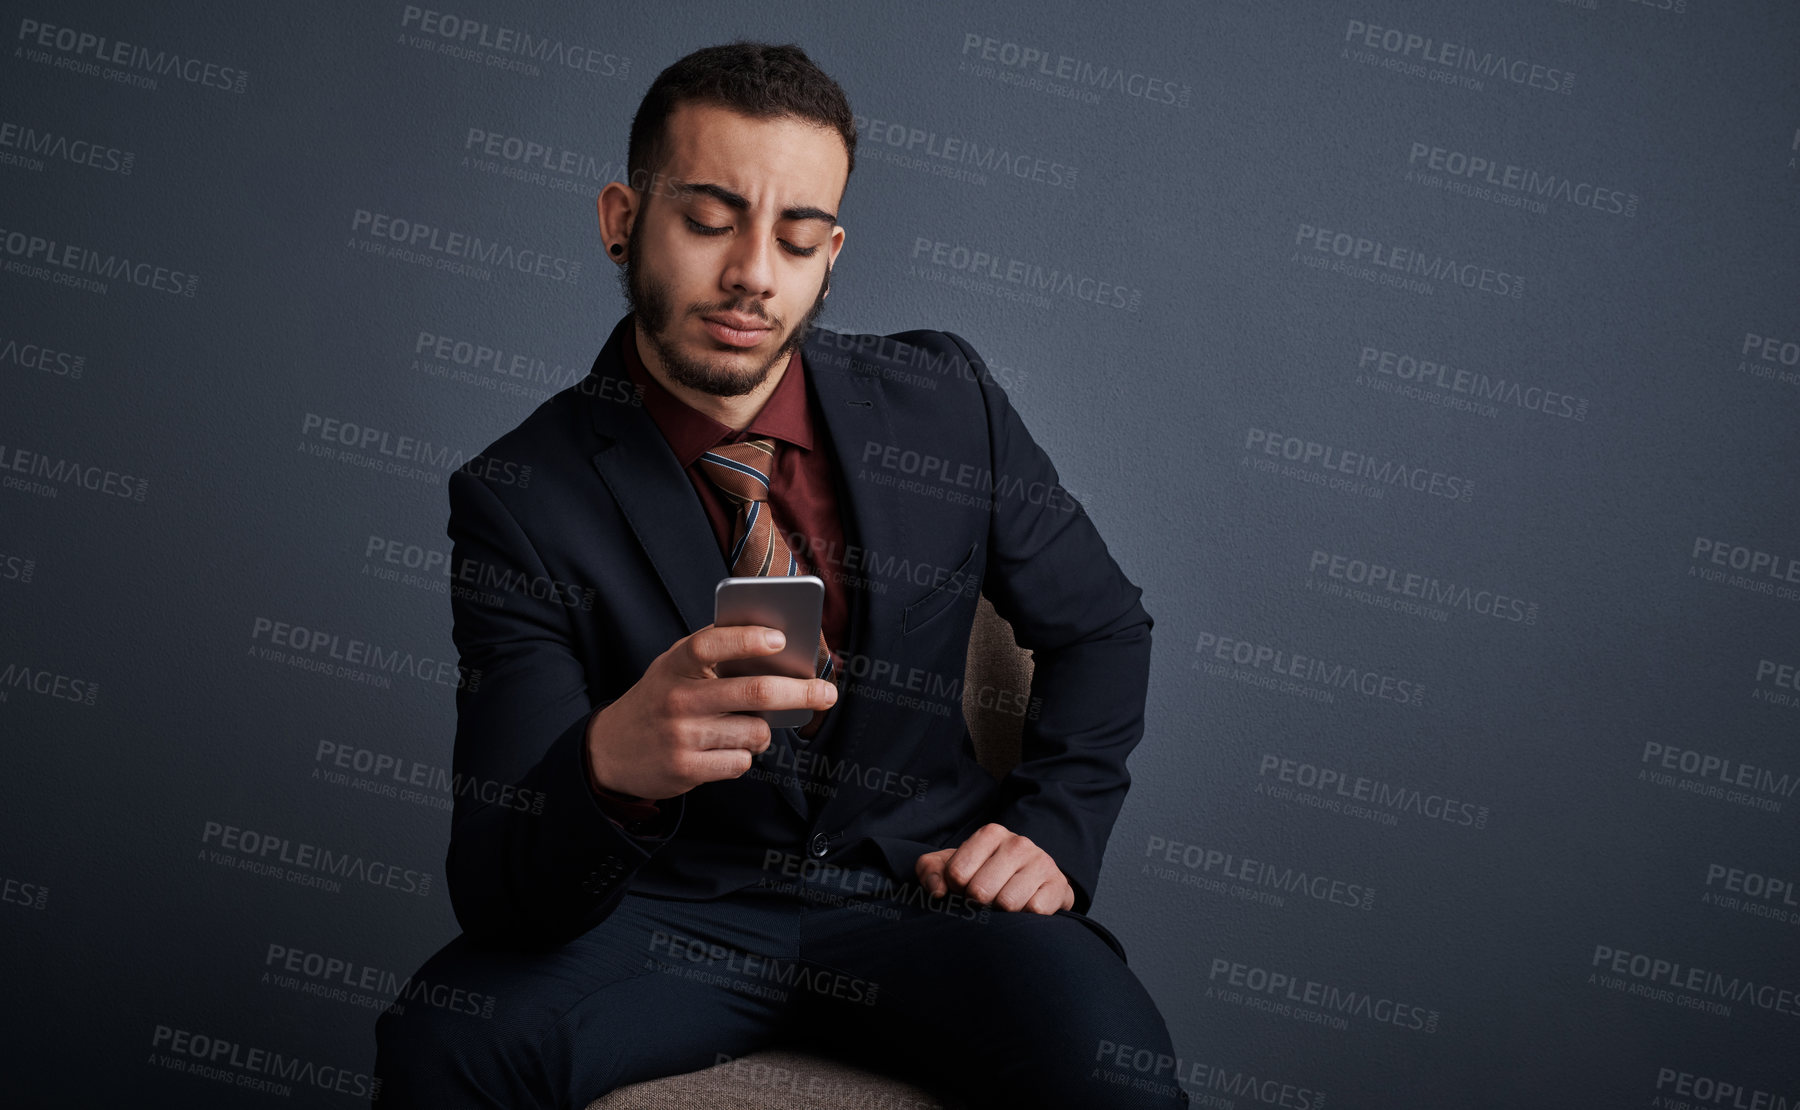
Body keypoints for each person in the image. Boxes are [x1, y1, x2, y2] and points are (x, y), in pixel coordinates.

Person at [373, 40, 1187, 1110]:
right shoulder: (521, 496)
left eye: (798, 238)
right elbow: (495, 883)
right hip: (676, 913)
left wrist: (1052, 833)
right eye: (708, 221)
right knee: (447, 1046)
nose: (755, 271)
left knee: (1118, 1075)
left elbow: (1103, 630)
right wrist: (608, 766)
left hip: (925, 897)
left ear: (831, 251)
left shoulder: (945, 404)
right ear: (622, 220)